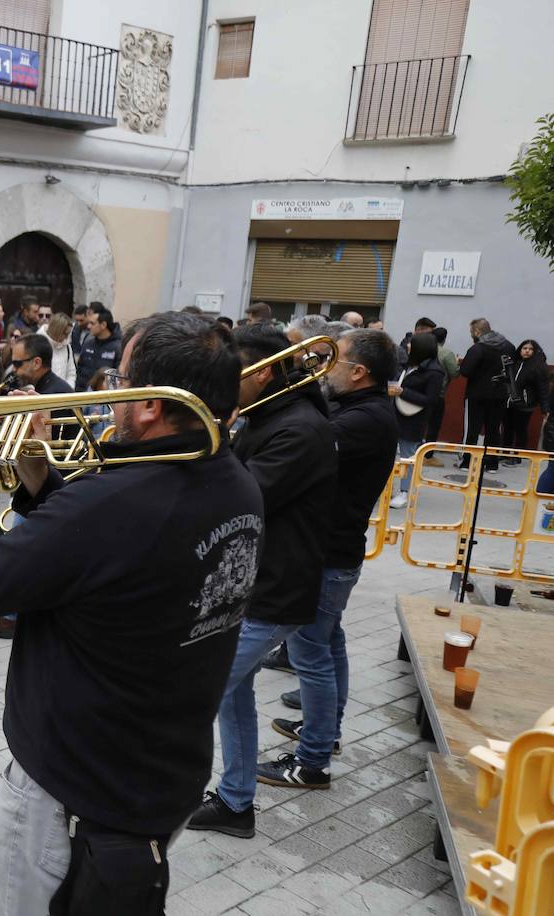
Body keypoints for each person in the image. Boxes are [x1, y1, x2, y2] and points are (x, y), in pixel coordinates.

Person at [0, 312, 261, 914]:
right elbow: (109, 559)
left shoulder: (116, 499)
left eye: (120, 382)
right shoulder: (234, 480)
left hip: (70, 795)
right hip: (158, 774)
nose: (110, 394)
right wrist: (41, 477)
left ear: (150, 407)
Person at [189, 323, 337, 838]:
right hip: (252, 583)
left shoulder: (298, 428)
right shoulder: (266, 415)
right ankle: (235, 802)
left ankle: (147, 798)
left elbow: (242, 495)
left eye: (236, 372)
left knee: (196, 694)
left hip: (273, 590)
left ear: (265, 371)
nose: (228, 381)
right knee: (232, 695)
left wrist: (215, 436)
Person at [268, 330, 398, 790]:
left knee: (311, 656)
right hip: (334, 551)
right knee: (328, 645)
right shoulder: (360, 408)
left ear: (359, 372)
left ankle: (313, 761)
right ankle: (327, 732)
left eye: (334, 360)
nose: (326, 368)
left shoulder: (368, 419)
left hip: (328, 554)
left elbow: (308, 442)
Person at [389, 333, 445, 508]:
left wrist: (402, 392)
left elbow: (430, 400)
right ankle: (387, 488)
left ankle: (405, 492)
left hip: (413, 419)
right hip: (395, 414)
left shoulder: (435, 371)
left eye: (411, 344)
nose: (407, 346)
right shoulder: (410, 365)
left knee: (407, 457)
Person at [460, 318, 517, 471]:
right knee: (494, 430)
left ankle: (467, 462)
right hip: (499, 394)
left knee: (472, 430)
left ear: (477, 332)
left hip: (476, 395)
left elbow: (465, 371)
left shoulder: (478, 348)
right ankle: (491, 463)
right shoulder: (509, 346)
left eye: (472, 332)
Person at [504, 339, 547, 453]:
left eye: (530, 349)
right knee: (507, 428)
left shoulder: (538, 366)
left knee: (520, 430)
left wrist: (544, 408)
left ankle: (517, 456)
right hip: (509, 401)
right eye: (525, 348)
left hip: (525, 404)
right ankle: (504, 452)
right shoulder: (514, 363)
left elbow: (543, 388)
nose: (527, 351)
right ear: (520, 350)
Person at [74, 306, 122, 391]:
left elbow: (118, 378)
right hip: (83, 397)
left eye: (92, 323)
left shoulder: (118, 347)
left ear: (103, 325)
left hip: (104, 398)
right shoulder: (88, 343)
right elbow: (80, 372)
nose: (88, 326)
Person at [40, 313, 77, 388]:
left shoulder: (67, 346)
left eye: (68, 334)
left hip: (63, 393)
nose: (66, 338)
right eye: (65, 334)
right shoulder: (38, 343)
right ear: (57, 330)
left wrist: (69, 389)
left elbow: (71, 372)